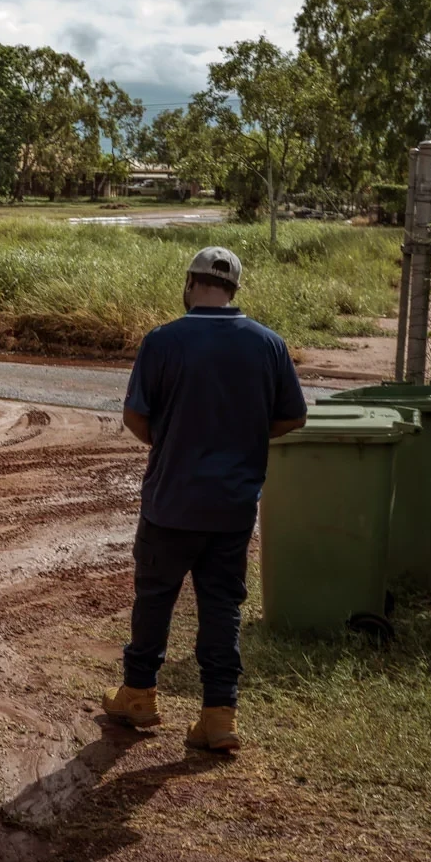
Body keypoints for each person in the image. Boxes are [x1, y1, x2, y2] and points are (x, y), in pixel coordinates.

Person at [102, 246, 307, 753]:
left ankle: (139, 695)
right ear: (234, 288)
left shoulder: (164, 341)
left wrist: (172, 443)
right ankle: (219, 715)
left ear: (191, 284)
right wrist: (246, 440)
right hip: (233, 507)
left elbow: (134, 417)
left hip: (172, 501)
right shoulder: (269, 344)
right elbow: (293, 417)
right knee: (222, 607)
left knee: (154, 599)